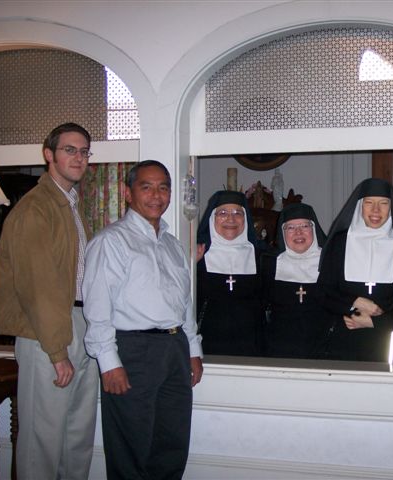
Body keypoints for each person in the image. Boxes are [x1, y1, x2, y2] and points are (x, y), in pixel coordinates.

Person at [82, 160, 203, 479]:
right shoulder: (111, 241)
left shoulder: (172, 244)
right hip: (132, 351)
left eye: (163, 187)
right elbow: (97, 307)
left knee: (171, 444)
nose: (156, 195)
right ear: (127, 192)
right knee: (131, 448)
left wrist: (192, 349)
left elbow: (183, 302)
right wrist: (109, 362)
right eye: (146, 186)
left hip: (174, 349)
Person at [0, 122, 99, 479]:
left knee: (76, 440)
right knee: (43, 442)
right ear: (48, 155)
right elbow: (39, 287)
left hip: (78, 324)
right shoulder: (35, 210)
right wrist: (57, 352)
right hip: (46, 333)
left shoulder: (71, 206)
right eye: (70, 149)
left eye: (84, 151)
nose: (79, 157)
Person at [317, 178, 393, 363]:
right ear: (360, 206)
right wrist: (355, 303)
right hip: (343, 340)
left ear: (391, 208)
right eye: (369, 203)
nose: (376, 210)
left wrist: (373, 321)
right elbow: (324, 292)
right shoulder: (340, 242)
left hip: (389, 341)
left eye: (383, 204)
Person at [261, 203, 336, 358]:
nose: (299, 232)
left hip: (323, 352)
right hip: (278, 352)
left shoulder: (331, 262)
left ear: (314, 229)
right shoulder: (268, 263)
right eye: (291, 228)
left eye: (304, 226)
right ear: (282, 232)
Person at [196, 190, 265, 355]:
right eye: (222, 213)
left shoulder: (262, 257)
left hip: (252, 348)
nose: (231, 219)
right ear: (212, 218)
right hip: (206, 348)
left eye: (237, 213)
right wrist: (192, 265)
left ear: (245, 219)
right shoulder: (197, 256)